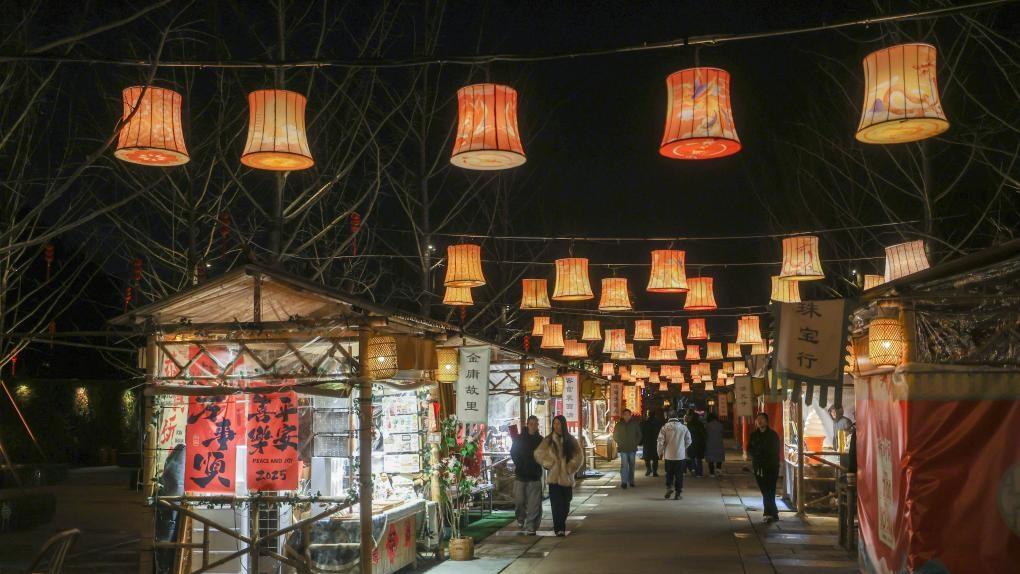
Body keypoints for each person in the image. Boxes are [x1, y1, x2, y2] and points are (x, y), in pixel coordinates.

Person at [535, 415, 584, 536]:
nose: (556, 426)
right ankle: (559, 528)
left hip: (567, 478)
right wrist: (550, 463)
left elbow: (579, 456)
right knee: (556, 504)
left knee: (566, 503)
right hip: (553, 478)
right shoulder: (548, 440)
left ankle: (561, 523)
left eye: (558, 423)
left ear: (563, 424)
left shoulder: (571, 440)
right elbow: (538, 453)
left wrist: (570, 467)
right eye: (554, 423)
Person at [510, 415, 543, 534]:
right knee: (519, 501)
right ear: (527, 425)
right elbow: (513, 452)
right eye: (531, 424)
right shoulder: (519, 439)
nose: (533, 426)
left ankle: (531, 526)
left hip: (535, 475)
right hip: (521, 475)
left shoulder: (541, 440)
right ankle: (520, 518)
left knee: (534, 504)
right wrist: (520, 464)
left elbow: (545, 455)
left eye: (536, 424)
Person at [749, 412, 782, 523]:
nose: (759, 421)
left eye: (762, 419)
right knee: (765, 490)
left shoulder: (773, 435)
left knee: (770, 490)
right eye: (758, 419)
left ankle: (768, 514)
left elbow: (775, 451)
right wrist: (755, 457)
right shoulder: (754, 435)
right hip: (758, 467)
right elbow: (750, 448)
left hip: (771, 466)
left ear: (767, 421)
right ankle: (774, 512)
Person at [657, 409, 692, 500]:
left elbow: (660, 441)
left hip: (668, 455)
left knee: (669, 473)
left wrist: (660, 452)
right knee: (679, 474)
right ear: (677, 417)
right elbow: (689, 440)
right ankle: (678, 493)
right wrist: (682, 447)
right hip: (680, 456)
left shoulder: (665, 427)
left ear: (668, 417)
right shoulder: (683, 427)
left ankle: (669, 487)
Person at [612, 408, 642, 488]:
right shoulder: (619, 424)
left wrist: (636, 443)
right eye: (625, 415)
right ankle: (624, 482)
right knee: (624, 465)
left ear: (630, 415)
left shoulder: (634, 424)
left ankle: (631, 481)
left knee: (632, 465)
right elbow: (615, 435)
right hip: (623, 448)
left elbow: (639, 434)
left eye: (628, 415)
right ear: (623, 415)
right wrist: (619, 442)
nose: (627, 416)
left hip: (632, 448)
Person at [640, 410, 663, 477]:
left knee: (647, 457)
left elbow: (641, 433)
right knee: (655, 458)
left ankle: (648, 469)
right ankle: (655, 472)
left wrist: (640, 442)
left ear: (648, 415)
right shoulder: (659, 423)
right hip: (656, 442)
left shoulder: (644, 423)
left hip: (647, 442)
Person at [686, 409, 706, 477]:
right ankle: (699, 473)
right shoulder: (700, 424)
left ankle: (694, 470)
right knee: (699, 459)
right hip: (699, 443)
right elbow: (704, 434)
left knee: (692, 458)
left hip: (691, 443)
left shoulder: (689, 424)